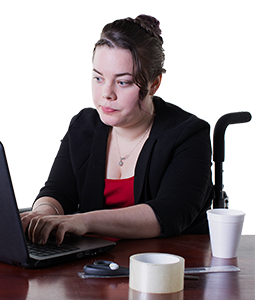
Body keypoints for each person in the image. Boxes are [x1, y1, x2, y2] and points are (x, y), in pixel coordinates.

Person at [21, 15, 214, 245]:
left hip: (169, 271)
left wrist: (84, 221)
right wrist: (42, 213)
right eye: (98, 78)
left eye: (122, 82)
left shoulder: (189, 134)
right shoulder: (83, 126)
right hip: (95, 269)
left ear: (154, 84)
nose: (106, 93)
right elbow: (59, 191)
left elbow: (170, 213)